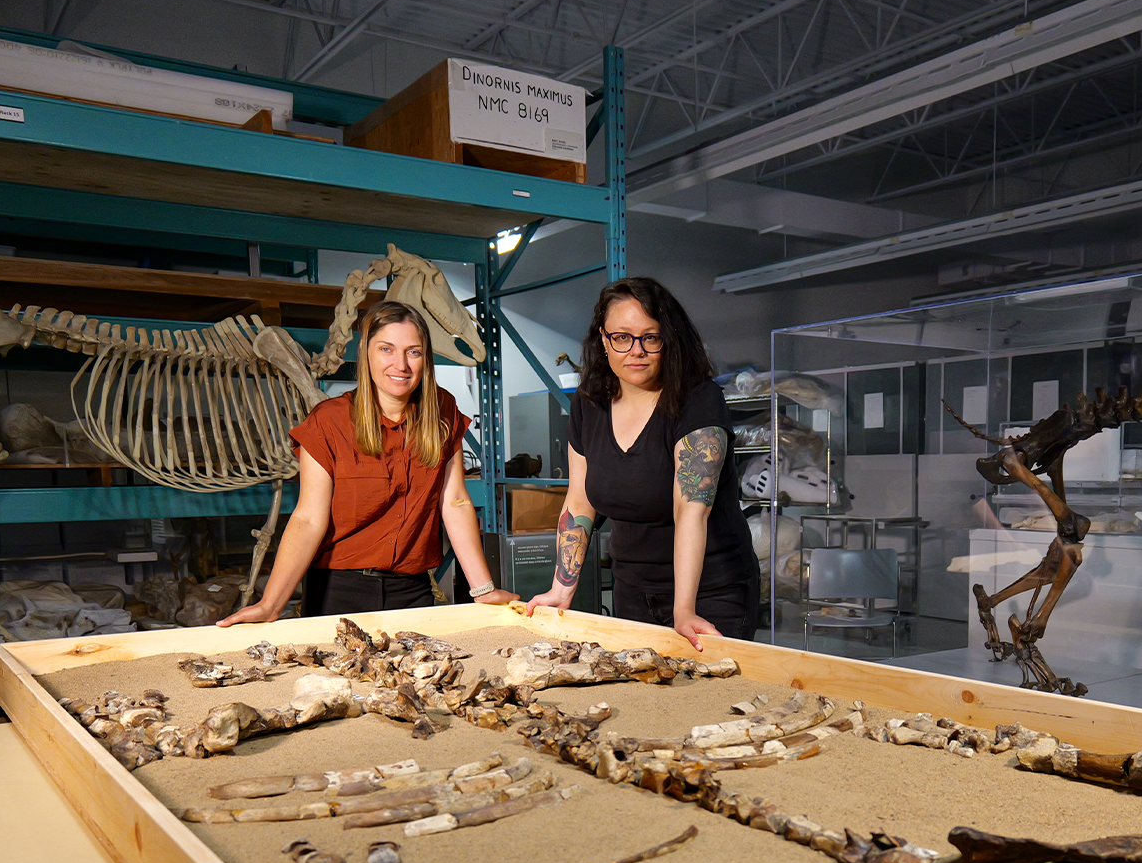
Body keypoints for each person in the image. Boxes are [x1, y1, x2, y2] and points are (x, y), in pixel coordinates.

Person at [220, 301, 515, 625]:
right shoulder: (329, 422)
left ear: (425, 357)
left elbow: (455, 501)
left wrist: (483, 590)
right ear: (366, 351)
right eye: (387, 349)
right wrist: (271, 604)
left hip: (413, 591)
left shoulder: (441, 410)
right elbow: (307, 518)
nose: (400, 364)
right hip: (338, 592)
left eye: (413, 352)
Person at [526, 277, 758, 648]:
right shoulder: (589, 404)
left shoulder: (697, 400)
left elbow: (691, 510)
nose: (636, 351)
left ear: (669, 339)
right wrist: (561, 589)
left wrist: (684, 609)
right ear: (603, 339)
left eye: (650, 337)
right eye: (622, 337)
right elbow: (580, 501)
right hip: (632, 589)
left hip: (711, 593)